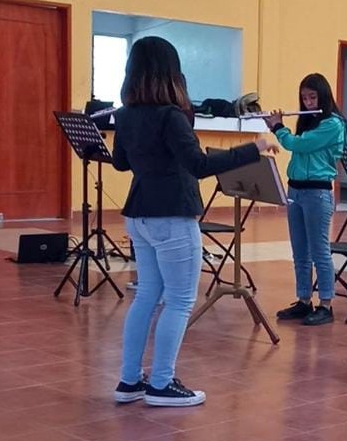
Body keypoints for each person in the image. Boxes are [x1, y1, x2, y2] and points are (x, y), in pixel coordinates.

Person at [111, 36, 275, 407]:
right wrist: (255, 148)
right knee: (181, 300)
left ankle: (129, 380)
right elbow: (198, 166)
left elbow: (121, 162)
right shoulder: (170, 116)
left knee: (148, 296)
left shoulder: (125, 114)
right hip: (171, 215)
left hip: (139, 214)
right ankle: (162, 384)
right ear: (172, 72)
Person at [268, 73, 347, 326]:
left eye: (313, 97)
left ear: (323, 96)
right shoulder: (309, 120)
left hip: (317, 192)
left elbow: (297, 145)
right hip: (296, 191)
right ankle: (304, 300)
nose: (308, 102)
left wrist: (277, 127)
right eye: (304, 98)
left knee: (319, 251)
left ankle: (326, 303)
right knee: (300, 251)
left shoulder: (332, 124)